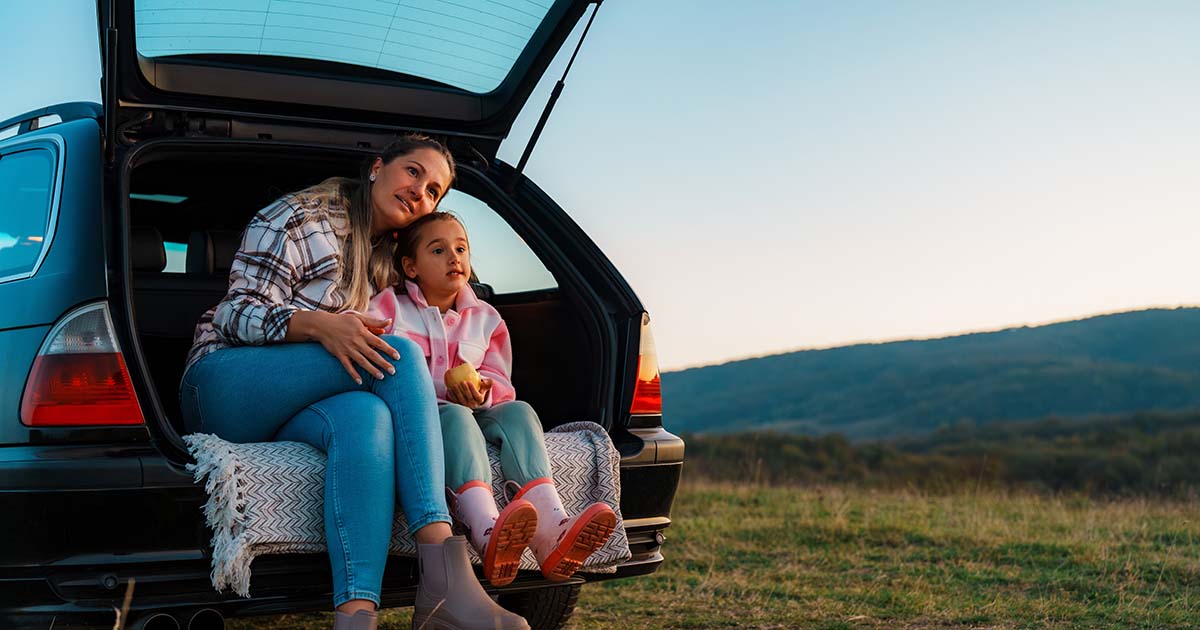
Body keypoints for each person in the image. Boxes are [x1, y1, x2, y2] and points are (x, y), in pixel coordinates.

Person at [179, 136, 529, 630]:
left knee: (368, 419)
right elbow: (236, 314)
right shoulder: (299, 218)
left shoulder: (397, 260)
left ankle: (356, 615)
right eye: (412, 172)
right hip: (226, 382)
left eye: (433, 191)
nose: (419, 192)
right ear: (377, 167)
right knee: (399, 354)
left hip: (308, 402)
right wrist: (320, 325)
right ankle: (444, 576)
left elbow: (453, 293)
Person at [368, 211, 617, 588]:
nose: (454, 258)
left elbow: (500, 378)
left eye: (461, 248)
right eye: (438, 250)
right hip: (423, 417)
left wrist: (483, 390)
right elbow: (367, 352)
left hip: (477, 410)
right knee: (455, 418)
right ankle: (486, 529)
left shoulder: (486, 318)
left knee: (519, 411)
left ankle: (552, 531)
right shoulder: (389, 308)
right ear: (410, 266)